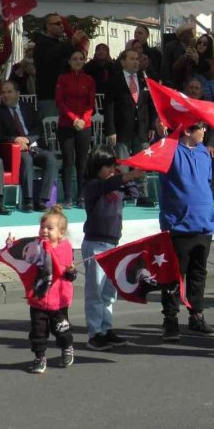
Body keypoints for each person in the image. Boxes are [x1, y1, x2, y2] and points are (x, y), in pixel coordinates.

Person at [158, 122, 214, 341]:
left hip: (203, 225)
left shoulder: (204, 152)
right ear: (187, 130)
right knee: (174, 278)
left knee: (198, 275)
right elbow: (154, 153)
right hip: (178, 227)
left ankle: (196, 317)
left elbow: (205, 182)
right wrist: (161, 134)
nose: (204, 131)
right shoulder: (170, 150)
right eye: (200, 128)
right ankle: (170, 321)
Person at [81, 146, 143, 350]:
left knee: (109, 291)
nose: (111, 171)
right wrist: (126, 176)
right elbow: (107, 185)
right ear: (97, 167)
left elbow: (133, 193)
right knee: (95, 291)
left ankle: (106, 329)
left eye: (113, 167)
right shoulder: (92, 185)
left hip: (113, 243)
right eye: (108, 167)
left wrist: (130, 177)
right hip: (95, 243)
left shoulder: (116, 184)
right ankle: (94, 333)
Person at [13, 206, 77, 374]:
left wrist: (71, 271)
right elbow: (22, 257)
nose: (45, 231)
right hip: (38, 298)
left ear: (61, 232)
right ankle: (40, 357)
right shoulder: (34, 246)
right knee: (38, 331)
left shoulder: (66, 250)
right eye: (42, 227)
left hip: (58, 301)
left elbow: (70, 277)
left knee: (61, 329)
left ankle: (67, 347)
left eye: (50, 228)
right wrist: (10, 246)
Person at [0, 80, 58, 212]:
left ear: (17, 93)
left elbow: (38, 129)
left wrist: (26, 139)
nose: (6, 95)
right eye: (3, 93)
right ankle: (28, 200)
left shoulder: (28, 108)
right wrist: (16, 140)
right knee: (26, 159)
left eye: (9, 92)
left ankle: (42, 200)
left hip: (32, 145)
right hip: (13, 149)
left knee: (50, 158)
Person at [104, 49, 156, 207]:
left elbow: (150, 105)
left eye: (137, 59)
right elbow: (109, 108)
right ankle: (123, 194)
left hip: (141, 129)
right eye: (132, 59)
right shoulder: (114, 81)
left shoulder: (144, 80)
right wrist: (111, 130)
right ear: (122, 61)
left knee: (142, 164)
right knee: (123, 164)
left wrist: (152, 125)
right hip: (122, 129)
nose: (136, 62)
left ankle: (142, 195)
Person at [54, 49, 95, 207]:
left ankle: (82, 196)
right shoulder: (62, 79)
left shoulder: (89, 80)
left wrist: (83, 120)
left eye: (81, 59)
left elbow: (91, 103)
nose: (78, 61)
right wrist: (74, 119)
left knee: (82, 162)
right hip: (66, 124)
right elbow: (60, 102)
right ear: (70, 62)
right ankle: (68, 198)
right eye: (75, 59)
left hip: (85, 125)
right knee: (68, 161)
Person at [33, 13, 77, 116]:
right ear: (48, 26)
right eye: (57, 23)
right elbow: (54, 55)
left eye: (62, 23)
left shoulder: (56, 43)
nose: (62, 26)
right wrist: (71, 43)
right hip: (49, 97)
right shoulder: (41, 43)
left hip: (62, 96)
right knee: (51, 129)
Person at [161, 23, 199, 91]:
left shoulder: (195, 48)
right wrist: (184, 57)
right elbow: (167, 67)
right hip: (175, 84)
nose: (192, 35)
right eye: (189, 33)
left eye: (192, 33)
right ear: (181, 36)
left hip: (190, 85)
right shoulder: (171, 47)